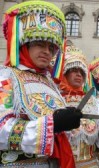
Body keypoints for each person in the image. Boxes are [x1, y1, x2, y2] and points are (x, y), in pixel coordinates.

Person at [0, 1, 81, 167]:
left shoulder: (50, 83)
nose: (47, 51)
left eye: (51, 48)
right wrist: (52, 125)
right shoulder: (7, 77)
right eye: (39, 44)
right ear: (24, 45)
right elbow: (2, 129)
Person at [59, 45, 99, 167]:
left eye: (81, 72)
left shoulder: (92, 100)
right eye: (74, 70)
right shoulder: (56, 98)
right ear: (65, 73)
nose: (79, 75)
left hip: (90, 162)